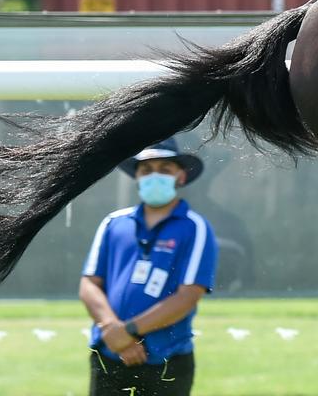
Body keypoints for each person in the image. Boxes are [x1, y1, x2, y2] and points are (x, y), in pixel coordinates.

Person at [79, 138, 218, 396]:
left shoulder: (195, 228)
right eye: (146, 169)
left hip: (166, 361)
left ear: (181, 177)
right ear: (137, 177)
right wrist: (113, 331)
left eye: (165, 169)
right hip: (109, 356)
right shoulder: (113, 223)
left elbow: (188, 296)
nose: (155, 176)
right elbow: (89, 284)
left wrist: (129, 331)